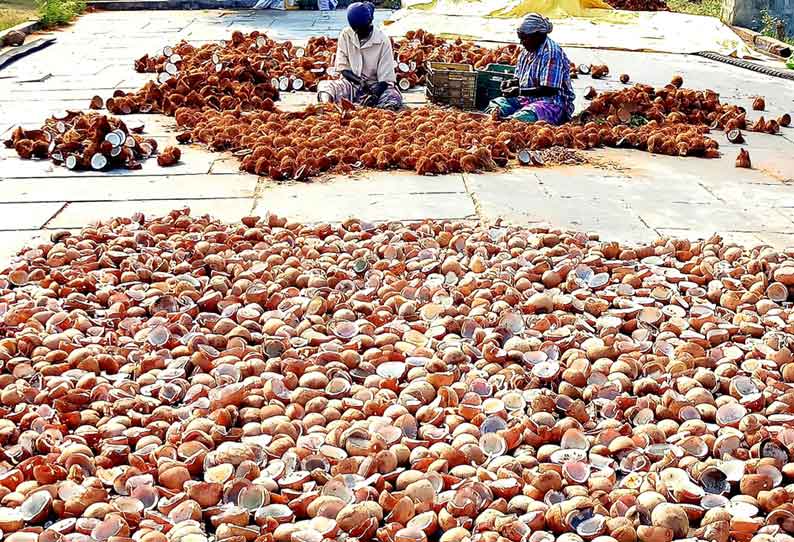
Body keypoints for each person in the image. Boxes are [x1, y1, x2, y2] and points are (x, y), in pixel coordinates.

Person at [486, 14, 575, 125]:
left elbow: (550, 89)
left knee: (524, 118)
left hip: (551, 103)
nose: (521, 43)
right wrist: (511, 83)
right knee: (496, 104)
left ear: (538, 35)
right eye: (520, 39)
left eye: (524, 38)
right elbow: (520, 79)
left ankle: (509, 121)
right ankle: (503, 119)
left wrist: (519, 91)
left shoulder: (552, 54)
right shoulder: (526, 52)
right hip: (526, 99)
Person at [317, 2, 403, 110]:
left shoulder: (383, 41)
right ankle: (327, 109)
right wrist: (360, 81)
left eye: (362, 29)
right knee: (325, 86)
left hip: (375, 86)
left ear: (370, 22)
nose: (358, 33)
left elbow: (385, 80)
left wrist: (374, 95)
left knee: (393, 97)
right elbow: (343, 68)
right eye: (355, 30)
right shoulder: (346, 35)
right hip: (351, 84)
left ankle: (380, 112)